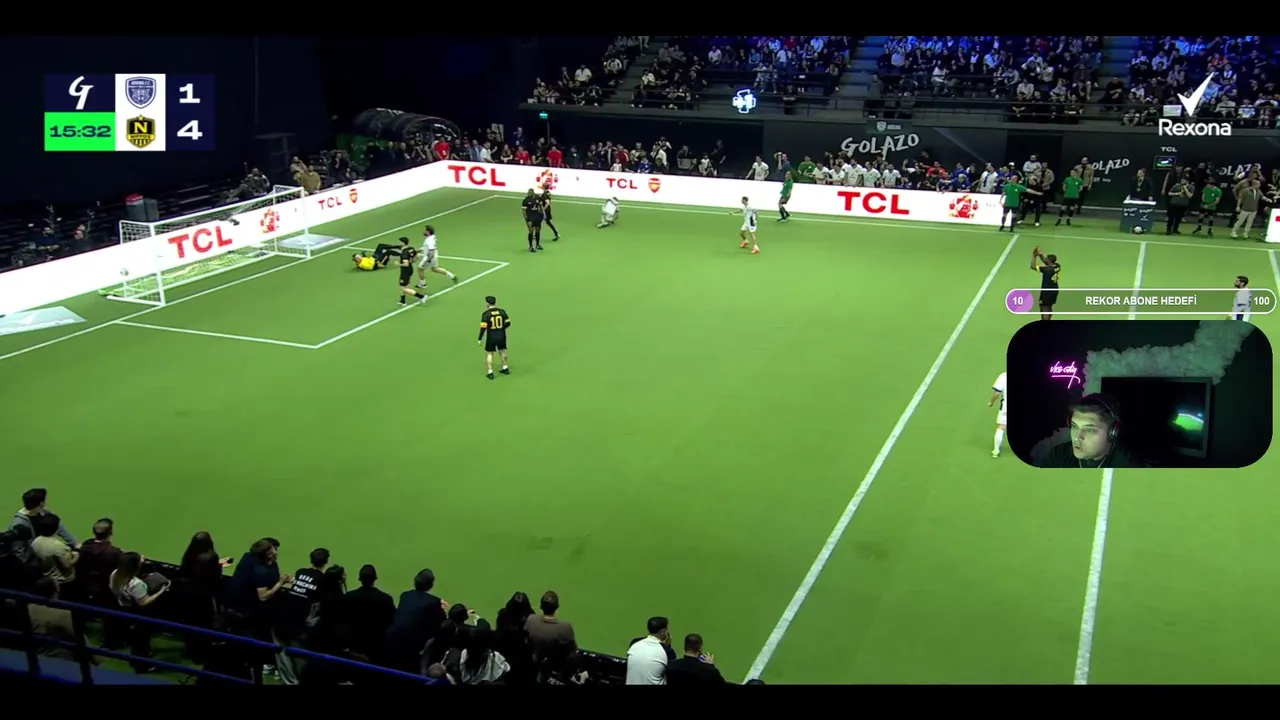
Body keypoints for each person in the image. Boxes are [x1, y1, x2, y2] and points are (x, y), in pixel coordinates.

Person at [1035, 394, 1141, 468]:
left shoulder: (1128, 466)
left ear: (1113, 432)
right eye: (1074, 426)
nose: (1077, 437)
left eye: (1089, 430)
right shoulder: (1058, 455)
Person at [478, 296, 511, 380]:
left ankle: (490, 372)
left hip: (491, 336)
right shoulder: (502, 312)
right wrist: (502, 328)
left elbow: (483, 328)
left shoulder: (486, 314)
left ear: (488, 303)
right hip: (501, 335)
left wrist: (480, 338)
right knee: (502, 351)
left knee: (490, 353)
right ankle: (505, 368)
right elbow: (508, 323)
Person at [393, 236, 428, 306]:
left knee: (403, 288)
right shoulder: (411, 249)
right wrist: (412, 261)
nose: (399, 243)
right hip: (410, 269)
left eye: (400, 242)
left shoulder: (404, 253)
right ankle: (402, 301)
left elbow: (405, 264)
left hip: (405, 271)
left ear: (403, 243)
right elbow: (417, 257)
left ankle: (422, 296)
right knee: (404, 286)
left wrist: (398, 264)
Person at [1031, 246, 1059, 321]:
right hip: (1054, 290)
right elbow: (1046, 262)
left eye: (1046, 258)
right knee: (1049, 307)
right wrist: (1040, 254)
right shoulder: (1057, 266)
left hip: (1046, 292)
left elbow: (1033, 266)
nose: (1045, 259)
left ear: (1049, 260)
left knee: (1044, 308)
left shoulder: (1046, 269)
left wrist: (1034, 256)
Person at [989, 371, 1008, 459]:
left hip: (1006, 407)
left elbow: (997, 393)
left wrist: (991, 402)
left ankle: (996, 450)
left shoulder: (1003, 376)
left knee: (1001, 427)